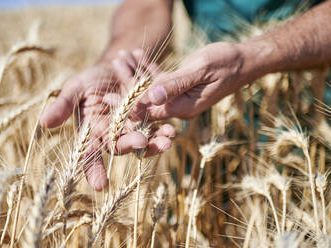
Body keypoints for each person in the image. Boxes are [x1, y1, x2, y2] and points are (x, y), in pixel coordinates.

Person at [40, 0, 331, 191]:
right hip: (206, 118)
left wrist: (255, 56)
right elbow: (148, 4)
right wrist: (116, 64)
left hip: (319, 113)